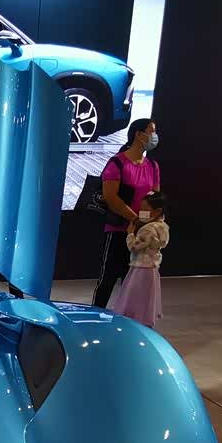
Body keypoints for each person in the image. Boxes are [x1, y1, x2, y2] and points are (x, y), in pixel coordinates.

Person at [93, 118, 160, 308]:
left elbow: (156, 198)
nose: (154, 136)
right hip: (118, 230)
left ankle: (129, 318)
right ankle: (95, 316)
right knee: (107, 278)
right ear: (139, 135)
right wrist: (134, 219)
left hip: (143, 234)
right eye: (151, 131)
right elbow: (110, 197)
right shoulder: (117, 163)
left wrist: (151, 223)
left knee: (133, 281)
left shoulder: (152, 166)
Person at [109, 191, 169, 327]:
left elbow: (134, 247)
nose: (141, 212)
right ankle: (145, 318)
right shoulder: (163, 227)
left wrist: (130, 234)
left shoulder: (147, 229)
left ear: (157, 211)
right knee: (147, 297)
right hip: (152, 267)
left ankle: (137, 319)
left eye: (145, 209)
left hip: (141, 267)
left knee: (135, 295)